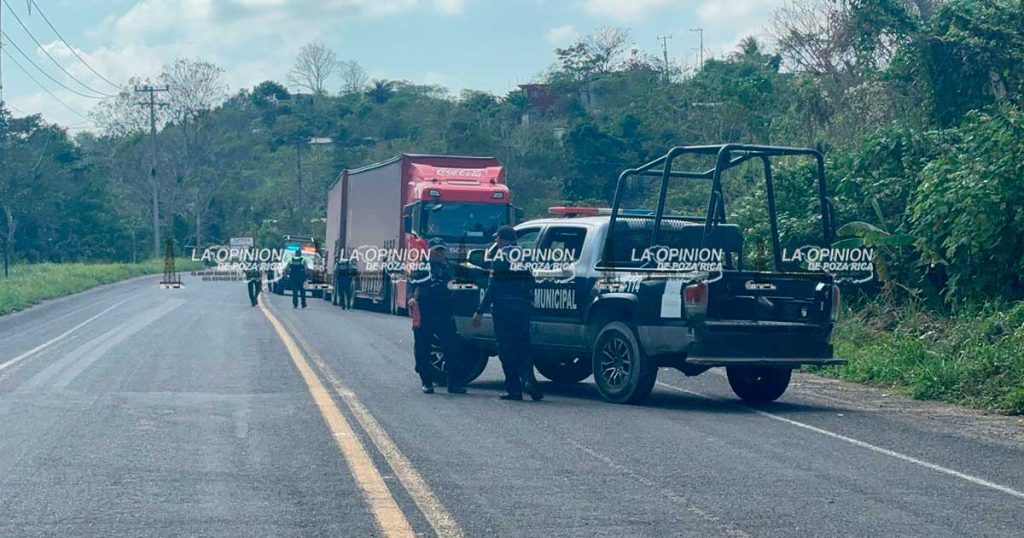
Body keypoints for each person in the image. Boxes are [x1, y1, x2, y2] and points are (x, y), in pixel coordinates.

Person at [473, 226, 543, 401]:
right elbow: (532, 282)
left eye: (498, 239)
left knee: (506, 349)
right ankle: (529, 381)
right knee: (524, 347)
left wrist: (480, 310)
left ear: (504, 240)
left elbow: (493, 287)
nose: (496, 242)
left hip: (503, 308)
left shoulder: (500, 257)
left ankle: (514, 390)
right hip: (522, 308)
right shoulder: (526, 256)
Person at [408, 237, 467, 395]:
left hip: (444, 314)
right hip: (425, 314)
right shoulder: (422, 268)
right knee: (422, 349)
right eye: (437, 250)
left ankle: (454, 383)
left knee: (452, 348)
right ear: (430, 251)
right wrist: (411, 299)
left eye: (441, 250)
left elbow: (465, 276)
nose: (439, 253)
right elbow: (412, 285)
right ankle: (427, 382)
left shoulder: (450, 268)